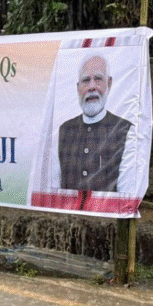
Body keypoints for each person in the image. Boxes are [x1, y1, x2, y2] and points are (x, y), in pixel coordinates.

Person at [58, 55, 135, 201]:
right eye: (86, 80)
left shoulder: (126, 130)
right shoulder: (63, 131)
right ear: (78, 87)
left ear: (109, 83)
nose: (92, 87)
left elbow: (127, 192)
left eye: (98, 79)